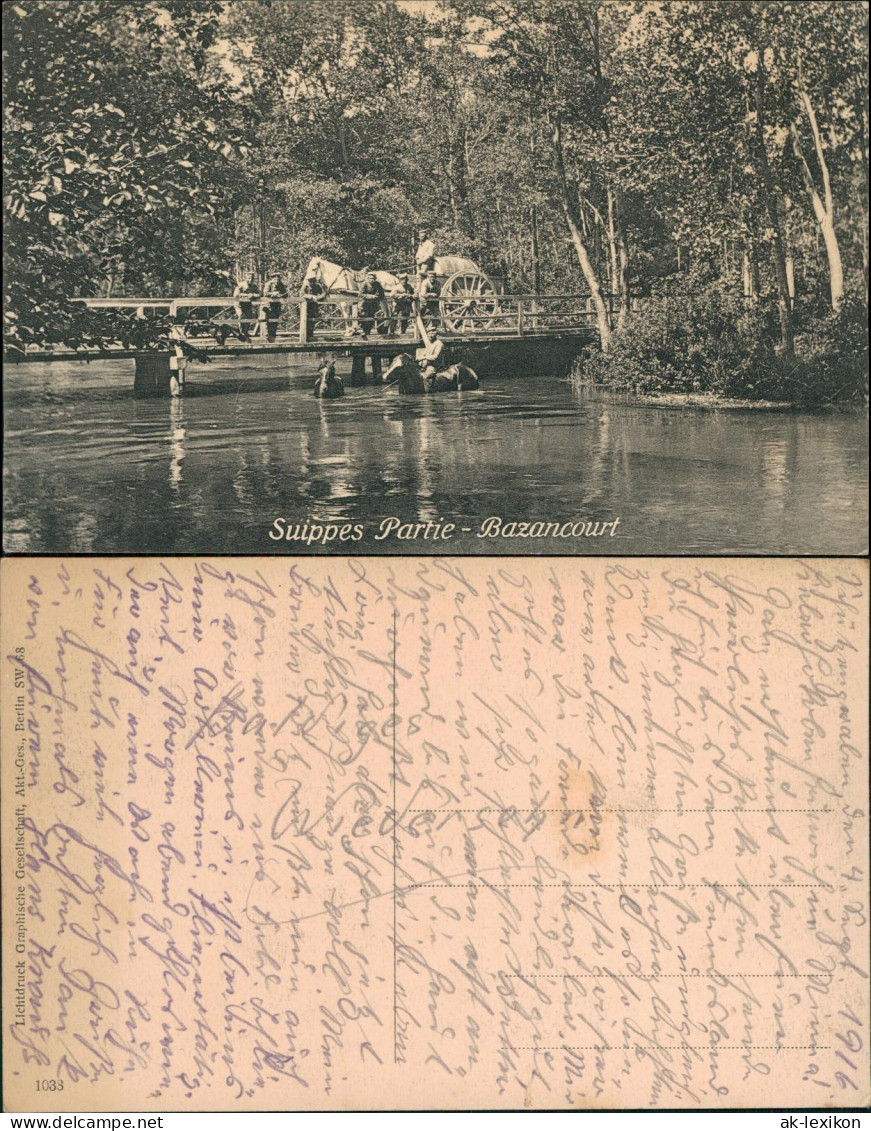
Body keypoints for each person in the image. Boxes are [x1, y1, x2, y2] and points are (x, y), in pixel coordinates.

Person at [358, 271, 385, 338]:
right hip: (365, 304)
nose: (371, 280)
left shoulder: (377, 284)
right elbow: (360, 294)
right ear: (368, 278)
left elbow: (382, 294)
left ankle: (370, 332)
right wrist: (370, 296)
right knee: (364, 316)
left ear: (375, 279)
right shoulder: (365, 284)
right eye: (370, 278)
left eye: (373, 278)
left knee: (373, 317)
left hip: (374, 305)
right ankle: (364, 331)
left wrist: (377, 297)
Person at [262, 272, 287, 342]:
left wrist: (281, 295)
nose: (277, 280)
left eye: (278, 278)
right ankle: (269, 335)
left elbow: (285, 293)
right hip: (269, 305)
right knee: (270, 319)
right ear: (272, 279)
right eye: (275, 278)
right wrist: (274, 294)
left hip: (277, 305)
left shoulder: (281, 284)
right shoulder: (269, 284)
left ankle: (273, 334)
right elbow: (265, 293)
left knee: (275, 319)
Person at [233, 273, 260, 338]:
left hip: (247, 304)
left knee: (249, 317)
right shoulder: (240, 285)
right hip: (239, 304)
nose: (250, 280)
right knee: (241, 316)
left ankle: (245, 333)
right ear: (245, 278)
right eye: (249, 278)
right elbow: (236, 294)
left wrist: (253, 295)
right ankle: (240, 333)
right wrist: (246, 295)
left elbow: (259, 293)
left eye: (252, 278)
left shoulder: (254, 286)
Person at [301, 273, 327, 340]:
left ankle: (310, 335)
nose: (311, 282)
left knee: (312, 320)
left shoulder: (317, 286)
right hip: (305, 306)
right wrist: (311, 296)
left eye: (313, 280)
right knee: (305, 320)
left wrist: (318, 297)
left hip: (313, 306)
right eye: (310, 280)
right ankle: (305, 335)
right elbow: (301, 294)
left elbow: (323, 294)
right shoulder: (305, 286)